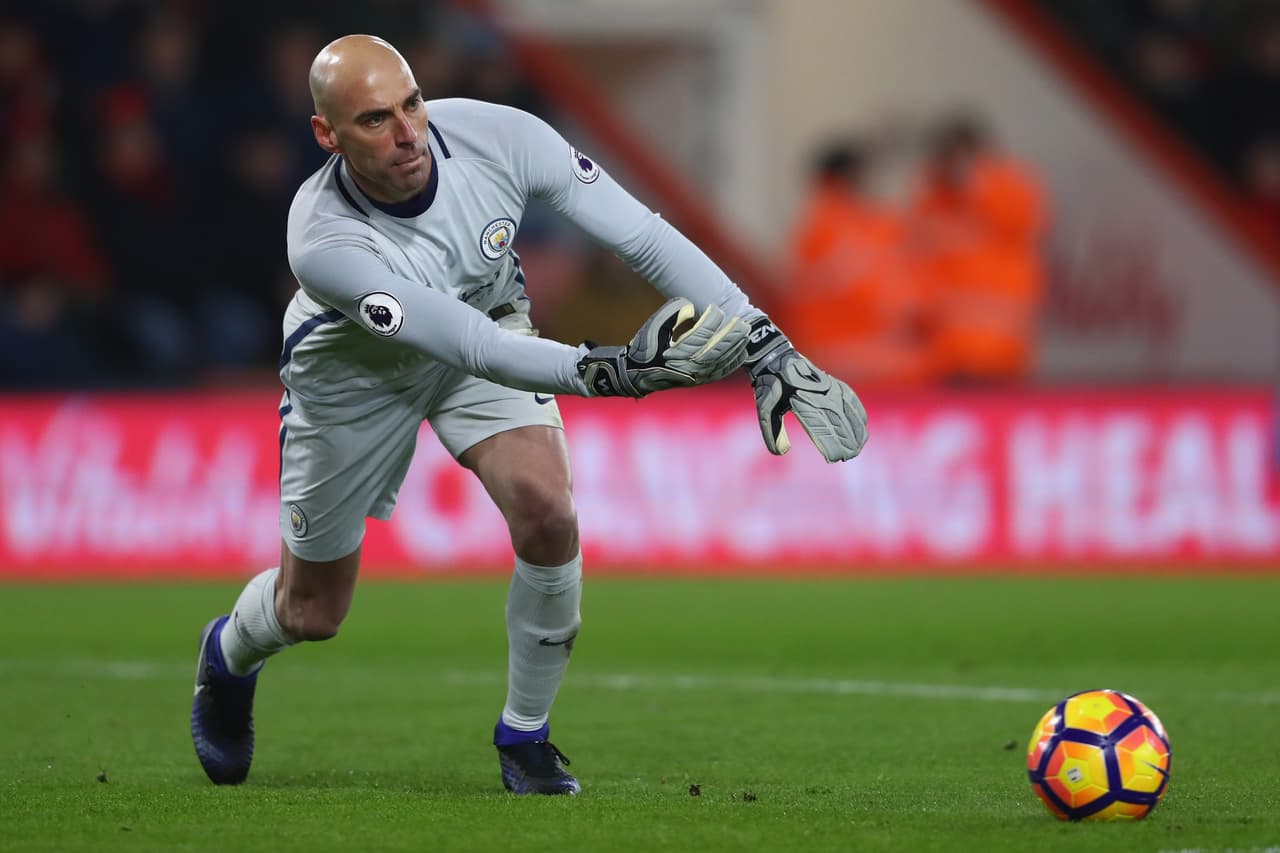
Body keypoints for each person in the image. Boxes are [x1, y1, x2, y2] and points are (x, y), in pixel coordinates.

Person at [190, 34, 867, 796]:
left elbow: (641, 236)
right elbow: (468, 345)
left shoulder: (500, 137)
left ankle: (525, 734)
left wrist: (762, 338)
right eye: (376, 120)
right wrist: (607, 371)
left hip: (488, 323)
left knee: (548, 511)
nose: (409, 134)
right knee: (311, 610)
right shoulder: (322, 240)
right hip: (356, 378)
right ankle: (228, 654)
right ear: (327, 134)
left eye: (411, 104)